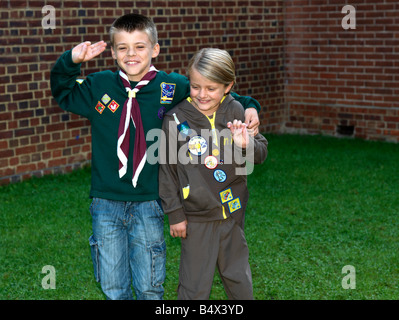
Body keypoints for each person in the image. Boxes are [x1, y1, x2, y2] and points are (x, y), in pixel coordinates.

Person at [50, 13, 261, 300]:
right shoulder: (98, 86)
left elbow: (215, 93)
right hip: (105, 200)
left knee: (150, 282)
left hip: (150, 201)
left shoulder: (172, 87)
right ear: (112, 52)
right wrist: (71, 61)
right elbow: (62, 91)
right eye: (122, 47)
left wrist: (251, 108)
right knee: (112, 283)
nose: (131, 54)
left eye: (140, 46)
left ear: (155, 49)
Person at [159, 48, 268, 300]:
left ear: (228, 86)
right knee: (194, 286)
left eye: (211, 88)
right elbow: (167, 173)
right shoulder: (175, 119)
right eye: (195, 87)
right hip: (195, 217)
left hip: (233, 214)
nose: (202, 95)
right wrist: (175, 214)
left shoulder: (237, 111)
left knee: (239, 278)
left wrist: (245, 144)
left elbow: (260, 154)